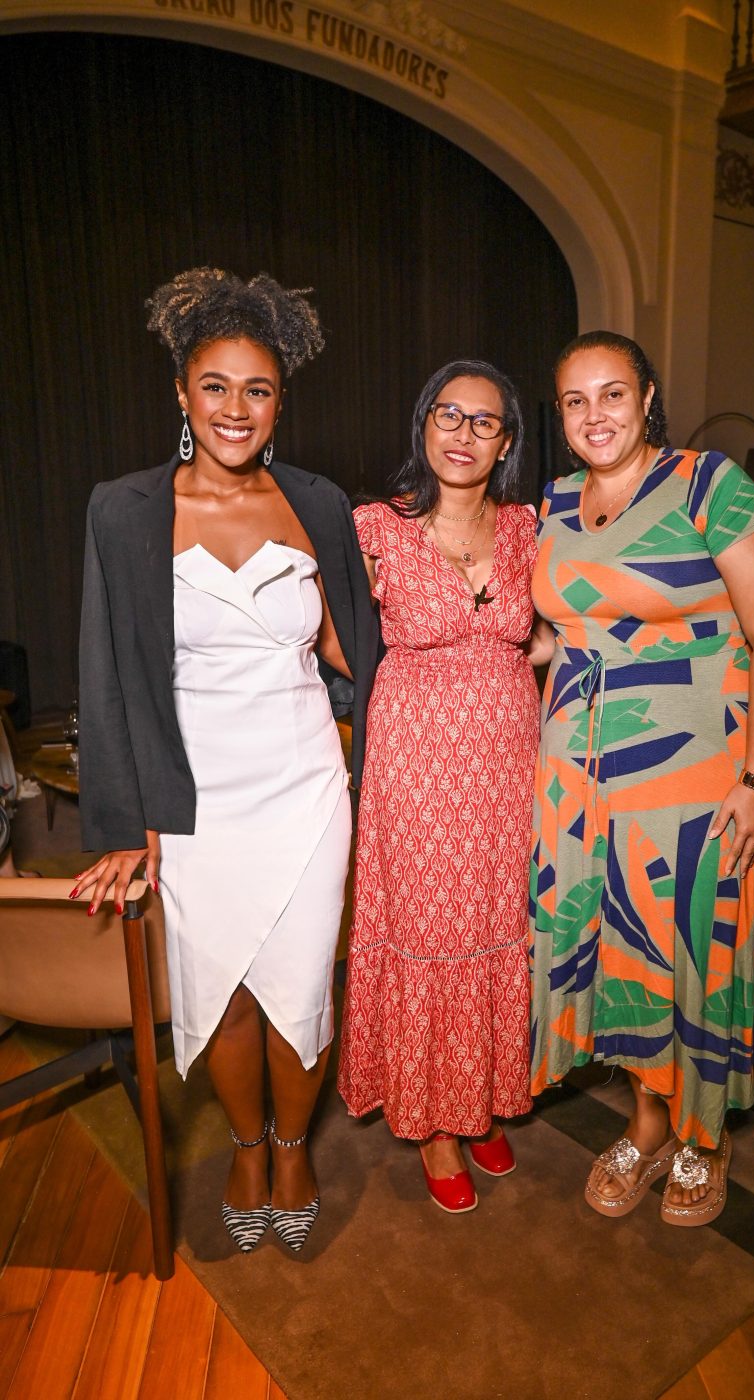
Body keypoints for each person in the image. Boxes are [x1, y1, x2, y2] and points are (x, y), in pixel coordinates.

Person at [72, 268, 379, 1254]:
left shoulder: (319, 503)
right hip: (190, 795)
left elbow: (354, 650)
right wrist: (122, 822)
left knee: (300, 985)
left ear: (281, 398)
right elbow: (108, 668)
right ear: (180, 392)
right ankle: (247, 1143)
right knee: (227, 991)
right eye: (215, 385)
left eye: (257, 388)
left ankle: (295, 1144)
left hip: (302, 786)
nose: (235, 408)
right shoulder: (123, 511)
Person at [528, 330, 754, 1227]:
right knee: (620, 954)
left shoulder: (706, 486)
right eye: (574, 400)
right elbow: (558, 630)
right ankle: (646, 1126)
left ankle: (703, 1138)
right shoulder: (557, 502)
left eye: (612, 394)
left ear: (647, 397)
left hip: (696, 772)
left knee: (690, 945)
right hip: (581, 779)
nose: (594, 415)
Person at [337, 360, 550, 1213]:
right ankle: (434, 1123)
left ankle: (483, 1096)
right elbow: (335, 638)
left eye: (485, 422)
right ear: (423, 424)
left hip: (508, 759)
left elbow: (554, 625)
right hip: (417, 762)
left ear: (507, 442)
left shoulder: (530, 527)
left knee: (503, 918)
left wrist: (520, 656)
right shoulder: (373, 528)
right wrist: (416, 685)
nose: (464, 435)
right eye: (448, 416)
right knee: (429, 928)